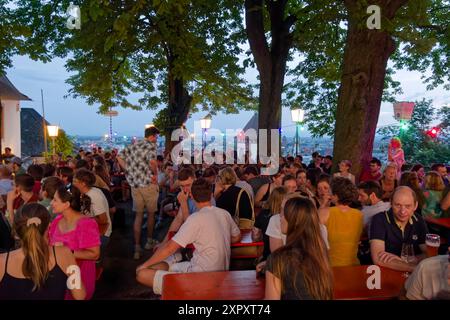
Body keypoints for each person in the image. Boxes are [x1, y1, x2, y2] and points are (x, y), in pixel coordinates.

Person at [135, 178, 241, 295]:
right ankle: (176, 262)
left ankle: (181, 291)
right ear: (211, 194)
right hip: (217, 273)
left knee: (141, 274)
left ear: (192, 196)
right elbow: (236, 237)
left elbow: (170, 248)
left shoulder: (195, 218)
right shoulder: (224, 213)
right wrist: (219, 238)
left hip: (200, 280)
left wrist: (144, 265)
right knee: (169, 264)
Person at [0, 203, 86, 300]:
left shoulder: (2, 262)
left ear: (17, 231)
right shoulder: (65, 253)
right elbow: (80, 295)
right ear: (48, 226)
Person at [265, 196, 333, 300]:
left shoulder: (278, 258)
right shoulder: (320, 252)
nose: (280, 217)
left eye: (284, 214)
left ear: (293, 220)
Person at [49, 186, 100, 300]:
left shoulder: (86, 224)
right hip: (59, 275)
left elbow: (94, 254)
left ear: (66, 204)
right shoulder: (57, 220)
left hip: (79, 276)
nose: (52, 202)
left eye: (55, 199)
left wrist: (66, 251)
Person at [117, 126, 160, 259]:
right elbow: (153, 162)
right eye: (156, 137)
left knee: (138, 215)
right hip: (148, 184)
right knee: (151, 213)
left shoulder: (134, 145)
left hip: (135, 185)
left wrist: (128, 170)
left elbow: (119, 157)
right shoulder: (151, 146)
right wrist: (155, 173)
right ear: (153, 136)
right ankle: (149, 241)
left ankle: (136, 247)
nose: (156, 139)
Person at [370, 186, 428, 272]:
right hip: (387, 274)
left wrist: (410, 259)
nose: (402, 211)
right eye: (398, 205)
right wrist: (414, 268)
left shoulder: (418, 220)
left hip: (413, 278)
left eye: (408, 206)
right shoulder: (379, 219)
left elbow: (429, 254)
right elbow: (377, 258)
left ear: (415, 206)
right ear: (391, 203)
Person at [319, 177, 363, 267]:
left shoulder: (325, 212)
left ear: (335, 195)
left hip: (330, 266)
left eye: (330, 191)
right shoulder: (359, 215)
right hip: (353, 265)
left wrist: (323, 204)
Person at [73, 169, 112, 257]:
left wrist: (81, 217)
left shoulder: (94, 196)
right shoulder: (87, 192)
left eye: (75, 181)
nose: (73, 183)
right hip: (92, 232)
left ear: (83, 183)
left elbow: (103, 220)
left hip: (101, 234)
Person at [252, 187, 287, 261]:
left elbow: (255, 237)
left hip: (268, 257)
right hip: (285, 258)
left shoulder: (263, 213)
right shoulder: (288, 216)